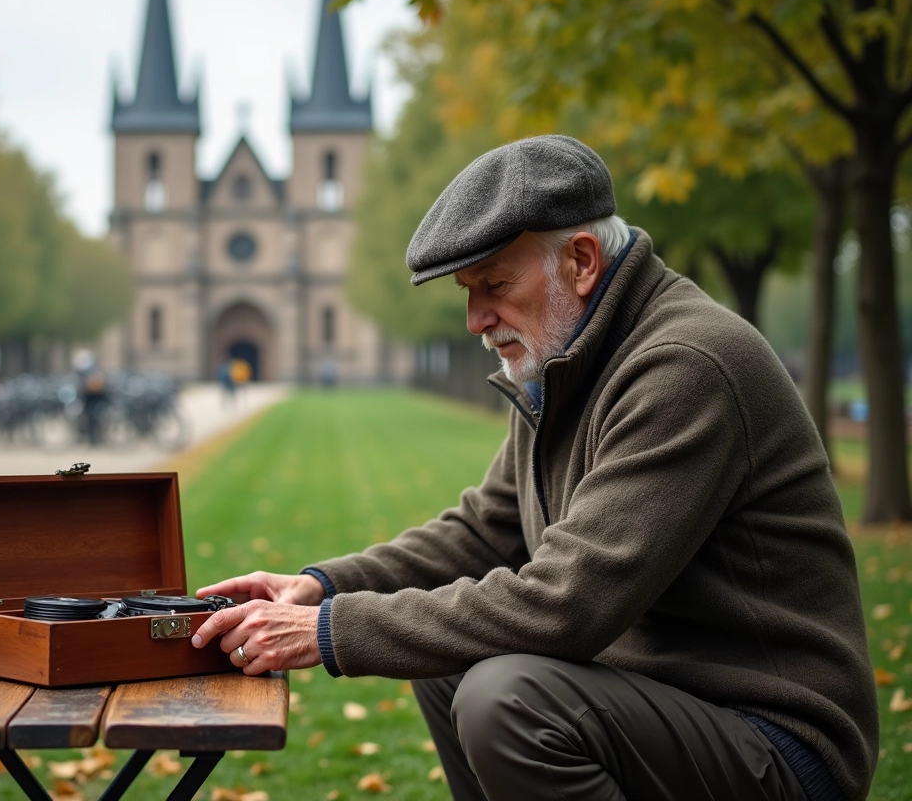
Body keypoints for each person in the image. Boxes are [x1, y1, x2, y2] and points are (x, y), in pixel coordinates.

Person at [192, 136, 877, 801]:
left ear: (581, 261)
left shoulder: (685, 366)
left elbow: (566, 604)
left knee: (507, 700)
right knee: (450, 665)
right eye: (466, 290)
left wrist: (332, 632)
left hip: (774, 739)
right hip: (671, 705)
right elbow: (481, 533)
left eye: (492, 284)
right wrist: (319, 588)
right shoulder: (569, 360)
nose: (474, 319)